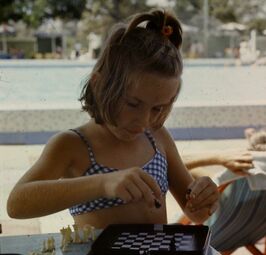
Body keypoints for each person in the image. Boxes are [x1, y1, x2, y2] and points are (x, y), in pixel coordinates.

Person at [7, 9, 219, 229]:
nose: (143, 121)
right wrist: (102, 183)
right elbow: (17, 204)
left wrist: (205, 198)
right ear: (99, 85)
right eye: (133, 104)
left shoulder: (157, 138)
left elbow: (196, 213)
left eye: (158, 108)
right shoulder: (72, 145)